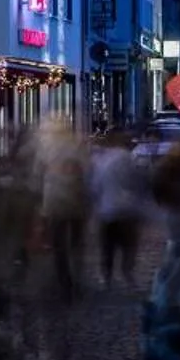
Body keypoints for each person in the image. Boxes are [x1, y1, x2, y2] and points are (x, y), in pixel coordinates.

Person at [37, 121, 91, 300]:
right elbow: (88, 171)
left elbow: (37, 173)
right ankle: (76, 279)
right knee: (75, 243)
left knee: (59, 245)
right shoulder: (78, 146)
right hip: (75, 201)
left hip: (55, 203)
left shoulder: (46, 148)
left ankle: (65, 281)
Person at [91, 134, 149, 286]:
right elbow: (137, 183)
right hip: (126, 209)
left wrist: (96, 203)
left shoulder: (101, 160)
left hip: (107, 209)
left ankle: (106, 276)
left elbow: (95, 185)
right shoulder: (128, 159)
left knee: (107, 245)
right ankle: (127, 272)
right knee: (128, 244)